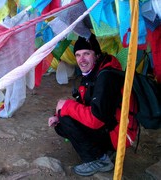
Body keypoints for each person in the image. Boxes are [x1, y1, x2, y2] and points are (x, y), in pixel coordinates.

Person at [48, 33, 138, 176]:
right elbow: (84, 103)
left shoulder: (106, 77)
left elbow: (96, 120)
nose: (81, 60)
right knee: (61, 121)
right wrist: (58, 114)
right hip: (112, 127)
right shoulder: (94, 72)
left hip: (120, 135)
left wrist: (66, 107)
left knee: (66, 119)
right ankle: (104, 151)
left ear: (96, 55)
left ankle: (100, 160)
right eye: (77, 55)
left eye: (86, 54)